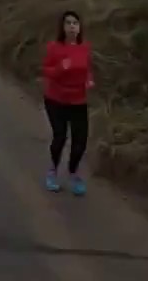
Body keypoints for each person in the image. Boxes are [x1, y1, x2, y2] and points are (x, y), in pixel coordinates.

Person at [41, 10, 93, 196]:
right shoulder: (54, 47)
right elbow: (46, 71)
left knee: (80, 142)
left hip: (78, 101)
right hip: (56, 100)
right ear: (62, 27)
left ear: (79, 28)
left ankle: (73, 171)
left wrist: (88, 79)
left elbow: (86, 69)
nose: (72, 26)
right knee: (60, 137)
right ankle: (52, 171)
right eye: (68, 23)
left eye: (75, 23)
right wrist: (60, 68)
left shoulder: (84, 47)